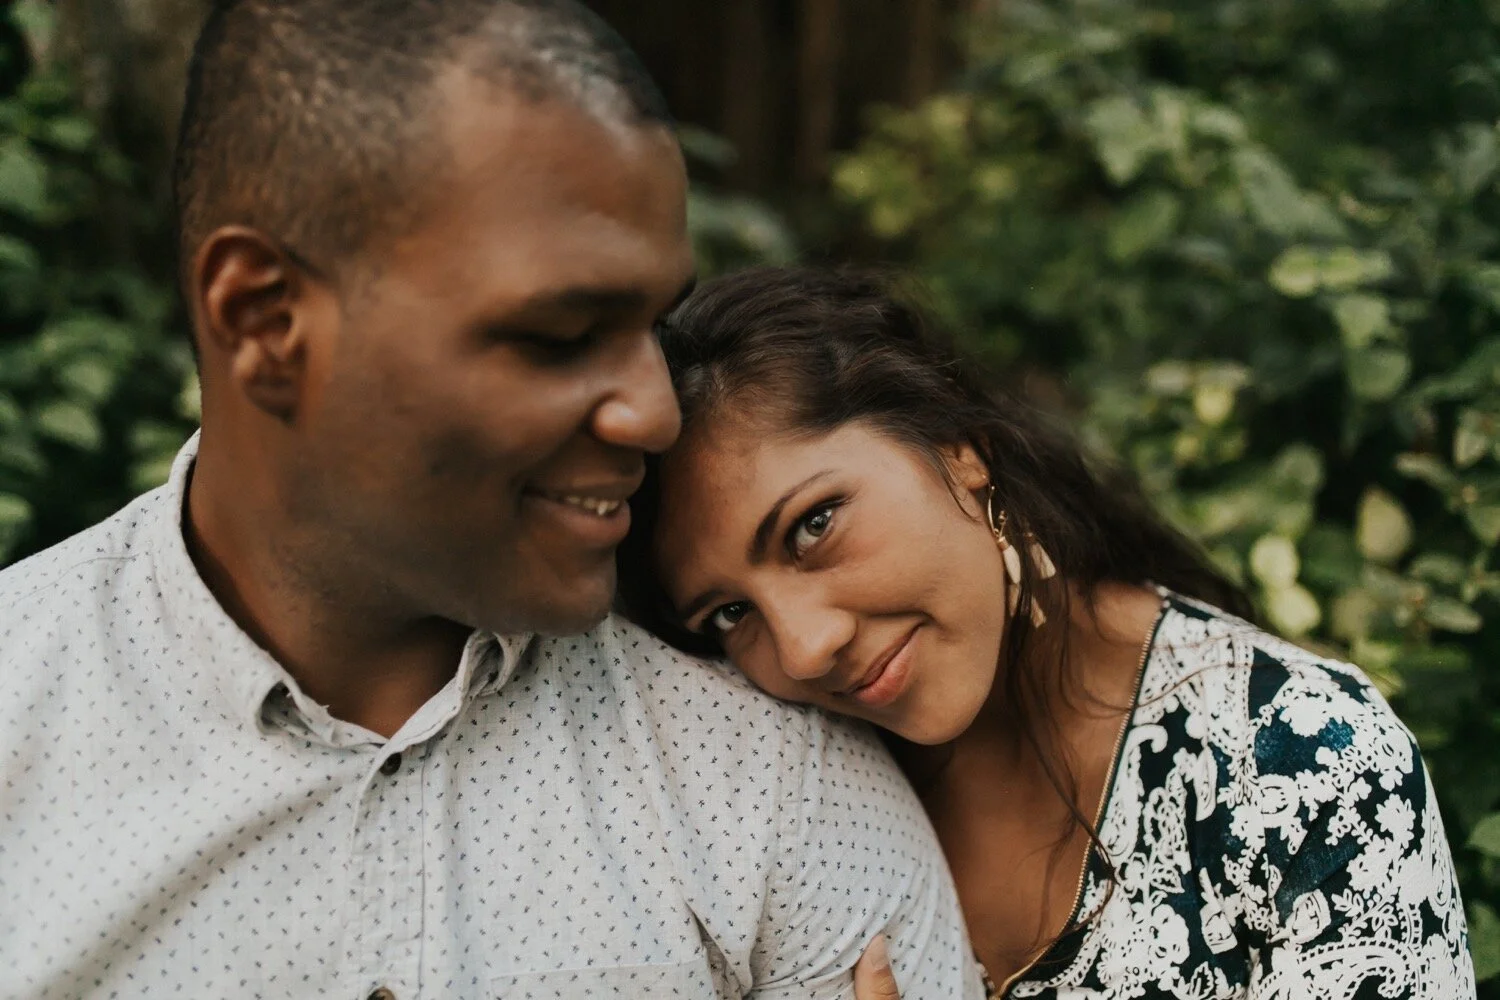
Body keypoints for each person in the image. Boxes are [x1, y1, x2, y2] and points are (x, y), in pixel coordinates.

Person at [0, 5, 986, 998]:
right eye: (561, 336)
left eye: (651, 326)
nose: (655, 413)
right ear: (265, 322)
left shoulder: (781, 790)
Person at [618, 266, 1477, 999]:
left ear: (959, 449)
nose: (805, 648)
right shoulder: (776, 792)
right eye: (730, 614)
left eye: (813, 525)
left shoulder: (1303, 765)